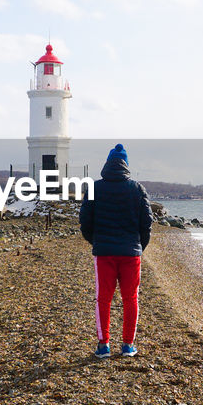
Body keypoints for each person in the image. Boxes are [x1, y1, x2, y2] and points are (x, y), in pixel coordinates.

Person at [79, 143, 153, 358]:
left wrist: (94, 241)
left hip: (104, 252)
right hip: (131, 253)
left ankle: (103, 346)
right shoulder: (137, 188)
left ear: (107, 164)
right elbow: (146, 223)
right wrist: (140, 246)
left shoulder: (94, 188)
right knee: (131, 298)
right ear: (126, 165)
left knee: (104, 299)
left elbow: (85, 220)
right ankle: (128, 345)